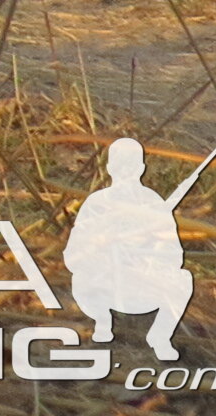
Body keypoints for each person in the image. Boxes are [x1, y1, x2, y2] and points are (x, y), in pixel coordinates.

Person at [63, 139, 195, 360]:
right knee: (81, 279)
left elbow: (175, 256)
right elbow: (73, 255)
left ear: (141, 169)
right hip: (103, 285)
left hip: (142, 286)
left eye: (130, 166)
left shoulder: (153, 203)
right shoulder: (97, 203)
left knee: (183, 279)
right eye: (120, 165)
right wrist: (101, 250)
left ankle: (160, 337)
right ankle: (102, 322)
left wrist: (151, 252)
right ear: (110, 169)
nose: (125, 171)